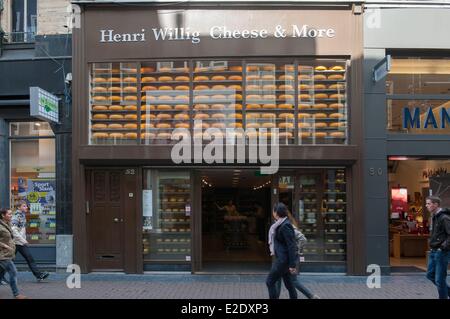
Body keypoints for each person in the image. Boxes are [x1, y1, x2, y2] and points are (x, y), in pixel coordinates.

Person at [274, 211, 320, 299]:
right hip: (283, 258)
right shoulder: (279, 225)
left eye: (275, 212)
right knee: (280, 279)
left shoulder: (287, 226)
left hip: (288, 258)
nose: (274, 214)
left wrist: (297, 252)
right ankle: (311, 296)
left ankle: (311, 296)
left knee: (292, 281)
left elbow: (303, 239)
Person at [266, 202, 298, 299]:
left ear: (276, 212)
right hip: (283, 259)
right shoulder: (279, 224)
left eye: (273, 210)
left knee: (269, 281)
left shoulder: (285, 225)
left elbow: (291, 245)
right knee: (289, 284)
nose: (272, 212)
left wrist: (292, 264)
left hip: (283, 260)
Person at [12, 201, 49, 281]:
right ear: (19, 207)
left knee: (29, 258)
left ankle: (39, 276)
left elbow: (21, 229)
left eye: (26, 206)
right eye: (24, 206)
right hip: (15, 242)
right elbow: (14, 231)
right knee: (7, 261)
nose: (26, 207)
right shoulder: (16, 216)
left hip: (20, 242)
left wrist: (23, 240)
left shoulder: (22, 215)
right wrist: (23, 240)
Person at [425, 196, 450, 299]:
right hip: (434, 251)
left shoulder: (444, 217)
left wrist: (442, 247)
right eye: (426, 204)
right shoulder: (434, 216)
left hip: (441, 252)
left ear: (435, 204)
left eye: (428, 204)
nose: (426, 206)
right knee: (430, 275)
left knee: (440, 280)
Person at [0, 208, 27, 299]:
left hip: (8, 253)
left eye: (11, 214)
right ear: (3, 215)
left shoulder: (8, 224)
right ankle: (16, 294)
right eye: (9, 214)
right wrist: (4, 246)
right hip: (3, 255)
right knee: (13, 272)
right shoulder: (0, 226)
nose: (11, 216)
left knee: (1, 273)